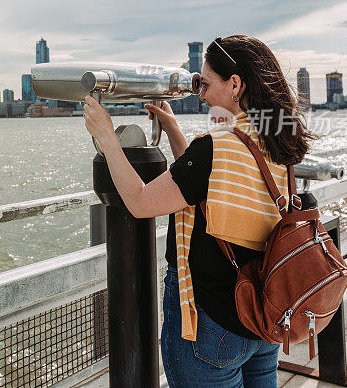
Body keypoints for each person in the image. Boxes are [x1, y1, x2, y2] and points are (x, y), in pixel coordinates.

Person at [82, 34, 316, 387]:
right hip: (260, 315)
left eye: (206, 84)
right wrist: (175, 129)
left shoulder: (214, 146)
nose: (201, 94)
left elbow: (142, 203)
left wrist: (108, 140)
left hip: (210, 325)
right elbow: (204, 186)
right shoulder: (274, 139)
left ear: (234, 84)